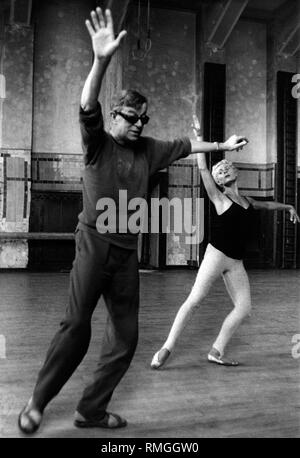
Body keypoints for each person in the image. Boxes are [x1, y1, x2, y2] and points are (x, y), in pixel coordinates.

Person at [18, 8, 248, 434]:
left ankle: (90, 411)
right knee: (76, 327)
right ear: (114, 117)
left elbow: (184, 144)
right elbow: (87, 103)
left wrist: (221, 143)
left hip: (126, 257)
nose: (140, 124)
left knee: (125, 339)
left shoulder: (150, 150)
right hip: (93, 245)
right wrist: (101, 60)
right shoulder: (97, 144)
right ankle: (37, 401)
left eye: (144, 119)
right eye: (131, 117)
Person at [151, 122, 300, 369]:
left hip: (235, 261)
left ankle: (216, 350)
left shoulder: (246, 200)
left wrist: (289, 207)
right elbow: (203, 170)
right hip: (216, 255)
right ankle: (167, 347)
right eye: (221, 170)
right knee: (195, 300)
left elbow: (268, 205)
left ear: (234, 172)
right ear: (220, 180)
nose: (224, 171)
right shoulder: (220, 198)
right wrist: (199, 138)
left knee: (244, 308)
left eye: (226, 167)